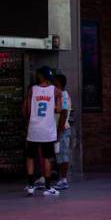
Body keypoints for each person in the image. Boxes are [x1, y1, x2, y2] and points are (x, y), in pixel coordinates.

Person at [23, 66, 66, 196]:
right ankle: (48, 187)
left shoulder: (32, 90)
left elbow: (27, 109)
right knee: (47, 158)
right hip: (48, 129)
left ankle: (30, 185)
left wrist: (27, 122)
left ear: (40, 76)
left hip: (34, 128)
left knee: (30, 157)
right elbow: (59, 109)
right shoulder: (55, 91)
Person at [53, 74, 73, 190]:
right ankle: (60, 179)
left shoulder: (63, 95)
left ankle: (63, 180)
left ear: (58, 82)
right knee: (59, 155)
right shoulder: (58, 95)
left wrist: (59, 131)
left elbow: (64, 113)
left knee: (63, 155)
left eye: (54, 81)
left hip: (62, 130)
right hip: (58, 130)